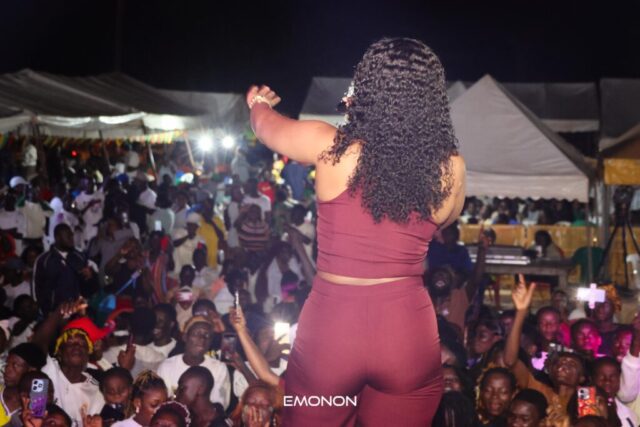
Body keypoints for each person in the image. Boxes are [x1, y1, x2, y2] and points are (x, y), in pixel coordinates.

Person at [247, 37, 465, 425]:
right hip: (406, 328)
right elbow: (443, 222)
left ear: (365, 89)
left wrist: (259, 103)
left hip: (333, 327)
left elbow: (266, 128)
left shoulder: (330, 146)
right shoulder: (450, 167)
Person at [156, 316, 231, 410]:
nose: (202, 339)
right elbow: (161, 403)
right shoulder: (167, 366)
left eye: (207, 335)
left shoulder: (218, 368)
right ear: (185, 337)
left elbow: (219, 406)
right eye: (196, 333)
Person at [33, 224, 96, 315]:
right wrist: (45, 311)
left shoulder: (80, 256)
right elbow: (37, 288)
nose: (71, 238)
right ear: (57, 238)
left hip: (77, 310)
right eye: (68, 235)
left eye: (71, 235)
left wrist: (89, 277)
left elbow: (89, 286)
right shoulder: (44, 260)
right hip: (54, 312)